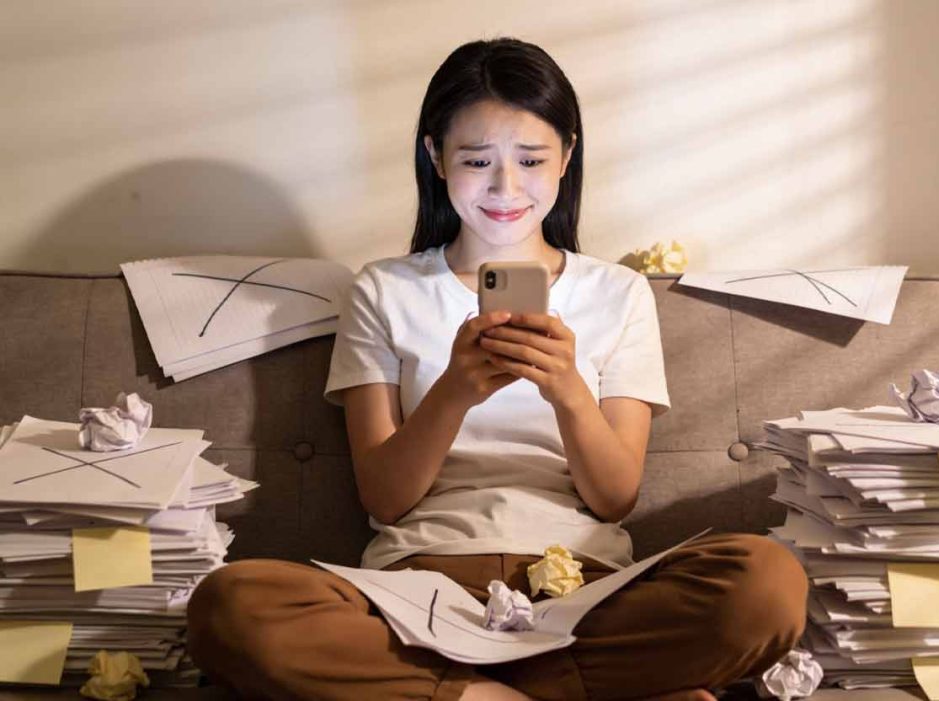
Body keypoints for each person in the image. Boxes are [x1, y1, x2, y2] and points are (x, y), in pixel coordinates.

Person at [186, 37, 808, 701]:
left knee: (766, 583)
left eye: (531, 160)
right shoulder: (384, 289)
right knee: (232, 604)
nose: (505, 187)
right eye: (477, 160)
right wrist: (454, 391)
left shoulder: (618, 293)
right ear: (436, 157)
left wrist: (568, 391)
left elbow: (614, 498)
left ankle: (464, 693)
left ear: (567, 155)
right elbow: (385, 499)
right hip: (417, 594)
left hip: (586, 593)